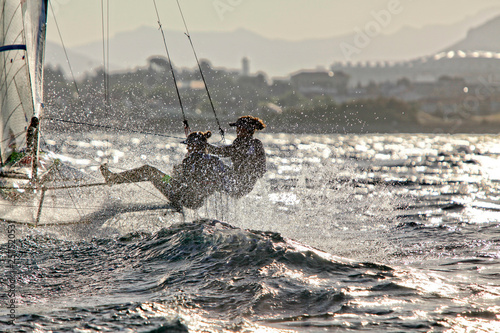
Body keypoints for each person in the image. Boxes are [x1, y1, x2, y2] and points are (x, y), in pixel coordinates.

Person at [100, 131, 227, 211]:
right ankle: (114, 178)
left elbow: (185, 180)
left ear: (196, 146)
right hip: (195, 199)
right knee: (158, 175)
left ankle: (113, 179)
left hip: (183, 196)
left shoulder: (191, 160)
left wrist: (174, 174)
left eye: (189, 145)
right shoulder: (214, 160)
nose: (187, 147)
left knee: (149, 171)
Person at [207, 115, 266, 198]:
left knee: (211, 166)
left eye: (239, 128)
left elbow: (224, 152)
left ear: (246, 129)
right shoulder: (255, 143)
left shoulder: (246, 143)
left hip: (238, 185)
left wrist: (206, 146)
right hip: (243, 183)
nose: (237, 130)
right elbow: (262, 168)